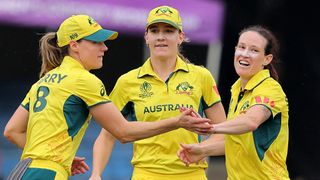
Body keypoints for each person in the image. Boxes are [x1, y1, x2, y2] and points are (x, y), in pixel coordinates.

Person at [3, 14, 214, 180]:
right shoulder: (85, 81)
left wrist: (58, 157)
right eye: (96, 42)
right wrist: (177, 121)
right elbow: (123, 132)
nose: (104, 47)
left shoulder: (44, 80)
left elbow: (12, 131)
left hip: (22, 170)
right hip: (48, 174)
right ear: (74, 45)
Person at [89, 5, 226, 180]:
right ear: (146, 37)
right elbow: (107, 135)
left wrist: (202, 149)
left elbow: (224, 133)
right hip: (146, 174)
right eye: (154, 31)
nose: (161, 37)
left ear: (180, 37)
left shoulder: (201, 76)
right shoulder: (127, 81)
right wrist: (96, 174)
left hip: (191, 174)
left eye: (168, 31)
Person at [177, 25, 290, 179]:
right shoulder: (237, 89)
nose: (245, 54)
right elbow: (237, 142)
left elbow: (251, 122)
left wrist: (210, 128)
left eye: (254, 50)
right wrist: (202, 150)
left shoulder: (271, 89)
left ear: (267, 59)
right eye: (241, 47)